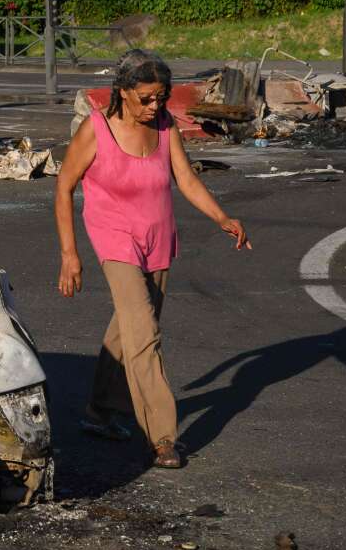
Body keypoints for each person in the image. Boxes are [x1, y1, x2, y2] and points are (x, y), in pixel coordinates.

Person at [55, 49, 250, 470]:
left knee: (129, 329)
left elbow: (186, 179)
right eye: (146, 98)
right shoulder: (96, 130)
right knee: (145, 335)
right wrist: (70, 254)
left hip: (158, 238)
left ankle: (100, 412)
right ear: (122, 92)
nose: (155, 105)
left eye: (160, 97)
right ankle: (163, 436)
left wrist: (221, 216)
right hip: (114, 239)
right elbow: (64, 186)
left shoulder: (165, 127)